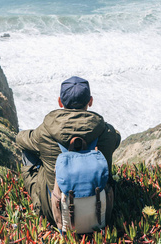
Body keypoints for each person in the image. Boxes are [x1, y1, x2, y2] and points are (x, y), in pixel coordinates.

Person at [16, 76, 121, 224]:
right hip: (102, 210)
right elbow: (117, 138)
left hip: (56, 212)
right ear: (90, 101)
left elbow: (20, 139)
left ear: (60, 102)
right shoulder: (106, 132)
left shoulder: (45, 131)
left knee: (28, 151)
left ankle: (41, 203)